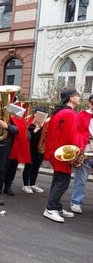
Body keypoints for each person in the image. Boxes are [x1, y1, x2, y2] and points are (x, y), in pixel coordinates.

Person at [43, 88, 79, 223]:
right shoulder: (69, 113)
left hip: (57, 151)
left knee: (58, 180)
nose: (79, 98)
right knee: (62, 183)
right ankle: (50, 208)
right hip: (63, 153)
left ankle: (56, 207)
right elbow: (71, 135)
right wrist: (75, 153)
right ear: (71, 98)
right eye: (77, 95)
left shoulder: (61, 112)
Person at [69, 94, 93, 214]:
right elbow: (76, 131)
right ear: (90, 103)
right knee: (81, 178)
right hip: (86, 148)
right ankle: (76, 202)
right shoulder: (82, 115)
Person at [21, 106, 47, 194]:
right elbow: (26, 135)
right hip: (31, 146)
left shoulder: (45, 123)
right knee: (29, 165)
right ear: (35, 114)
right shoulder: (29, 121)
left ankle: (32, 183)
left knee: (36, 166)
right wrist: (35, 130)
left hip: (39, 147)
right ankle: (25, 185)